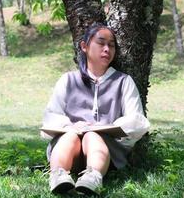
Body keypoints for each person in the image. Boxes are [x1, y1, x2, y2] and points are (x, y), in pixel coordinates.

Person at [40, 23, 150, 195]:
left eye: (111, 45)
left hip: (107, 153)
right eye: (101, 43)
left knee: (92, 136)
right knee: (70, 136)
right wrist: (71, 127)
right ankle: (58, 175)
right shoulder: (68, 80)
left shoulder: (123, 81)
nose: (107, 49)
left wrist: (97, 129)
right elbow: (51, 116)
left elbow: (137, 121)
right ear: (84, 46)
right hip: (70, 151)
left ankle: (93, 178)